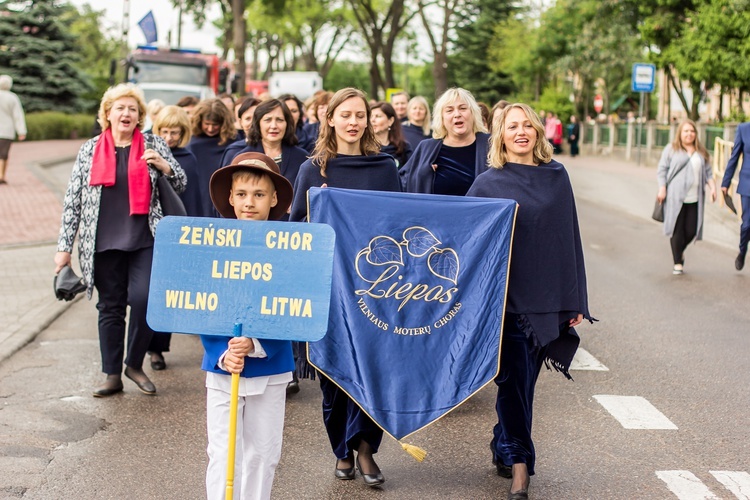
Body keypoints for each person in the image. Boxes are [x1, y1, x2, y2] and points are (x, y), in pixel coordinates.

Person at [466, 103, 592, 500]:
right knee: (512, 384)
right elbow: (465, 237)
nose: (521, 132)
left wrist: (573, 300)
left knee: (522, 386)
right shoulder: (488, 183)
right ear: (500, 135)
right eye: (512, 126)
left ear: (538, 132)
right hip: (503, 304)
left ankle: (503, 441)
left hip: (545, 301)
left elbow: (567, 240)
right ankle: (521, 465)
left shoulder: (557, 177)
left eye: (527, 126)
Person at [289, 88, 401, 487]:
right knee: (334, 375)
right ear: (330, 119)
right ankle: (341, 448)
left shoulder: (385, 167)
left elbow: (401, 223)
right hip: (330, 288)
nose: (354, 122)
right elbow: (296, 229)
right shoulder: (313, 169)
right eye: (346, 115)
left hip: (375, 289)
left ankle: (367, 449)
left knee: (374, 369)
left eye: (361, 115)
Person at [53, 83, 186, 397]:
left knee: (144, 300)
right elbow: (73, 200)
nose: (126, 113)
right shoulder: (90, 148)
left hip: (145, 238)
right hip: (101, 242)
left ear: (140, 115)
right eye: (120, 108)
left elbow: (180, 183)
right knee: (110, 307)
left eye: (132, 109)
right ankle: (112, 374)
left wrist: (165, 166)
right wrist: (63, 250)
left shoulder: (153, 142)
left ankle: (133, 363)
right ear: (107, 114)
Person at [202, 151, 295, 500]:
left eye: (259, 195)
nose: (250, 203)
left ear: (274, 199)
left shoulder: (292, 250)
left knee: (264, 453)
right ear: (230, 198)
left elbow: (295, 307)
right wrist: (223, 349)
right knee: (223, 453)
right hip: (224, 362)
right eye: (241, 194)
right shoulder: (213, 246)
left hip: (270, 363)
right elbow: (201, 304)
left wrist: (255, 343)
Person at [146, 105, 203, 370]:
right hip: (151, 231)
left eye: (175, 132)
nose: (169, 137)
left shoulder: (188, 158)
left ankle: (160, 345)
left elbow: (192, 197)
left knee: (168, 290)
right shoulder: (148, 155)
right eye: (165, 131)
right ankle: (152, 348)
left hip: (179, 230)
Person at [219, 99, 308, 221]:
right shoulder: (242, 157)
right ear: (258, 123)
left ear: (288, 123)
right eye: (267, 120)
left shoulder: (302, 159)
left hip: (288, 232)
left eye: (279, 120)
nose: (274, 126)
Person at [401, 87, 489, 195]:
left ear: (473, 113)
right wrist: (424, 176)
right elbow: (402, 182)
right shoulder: (427, 148)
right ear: (441, 118)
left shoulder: (491, 145)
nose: (457, 114)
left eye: (462, 108)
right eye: (449, 110)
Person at [657, 119, 716, 275]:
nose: (689, 134)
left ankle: (679, 251)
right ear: (680, 133)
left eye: (692, 131)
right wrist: (662, 188)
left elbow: (708, 172)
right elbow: (662, 170)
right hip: (675, 197)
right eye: (686, 131)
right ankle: (677, 262)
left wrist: (713, 188)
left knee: (691, 231)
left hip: (695, 198)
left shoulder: (701, 152)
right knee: (677, 230)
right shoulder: (671, 149)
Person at [188, 98, 238, 217]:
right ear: (199, 121)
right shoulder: (192, 145)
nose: (210, 129)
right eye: (207, 124)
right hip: (199, 199)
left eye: (215, 125)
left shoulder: (233, 144)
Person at [721, 121, 750, 270]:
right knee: (747, 225)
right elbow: (734, 157)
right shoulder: (744, 129)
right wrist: (725, 182)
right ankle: (742, 250)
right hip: (747, 184)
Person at [0, 74, 27, 184]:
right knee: (3, 154)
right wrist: (21, 131)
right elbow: (18, 115)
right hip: (7, 131)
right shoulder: (12, 97)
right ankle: (2, 175)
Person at [371, 101, 412, 168]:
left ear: (390, 121)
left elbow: (410, 172)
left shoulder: (403, 147)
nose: (372, 120)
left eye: (378, 116)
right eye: (370, 116)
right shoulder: (364, 148)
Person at [223, 97, 262, 161]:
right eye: (248, 119)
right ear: (241, 122)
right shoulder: (233, 152)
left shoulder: (278, 151)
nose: (252, 123)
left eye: (256, 118)